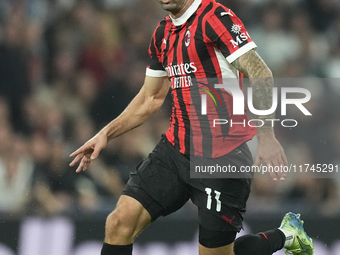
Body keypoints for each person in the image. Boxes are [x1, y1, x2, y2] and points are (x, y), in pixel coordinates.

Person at [69, 0, 314, 254]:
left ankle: (287, 235)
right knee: (119, 221)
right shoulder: (162, 33)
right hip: (176, 150)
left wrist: (267, 136)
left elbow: (260, 72)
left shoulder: (215, 17)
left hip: (223, 155)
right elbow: (150, 98)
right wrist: (105, 134)